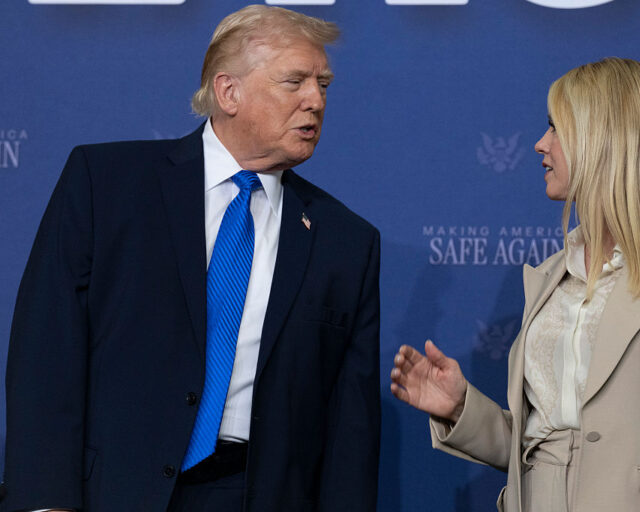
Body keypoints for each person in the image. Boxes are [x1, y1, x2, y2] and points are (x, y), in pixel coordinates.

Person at [2, 6, 380, 512]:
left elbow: (349, 428)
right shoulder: (107, 184)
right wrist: (44, 503)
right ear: (228, 92)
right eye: (294, 82)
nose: (315, 101)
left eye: (324, 84)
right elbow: (46, 354)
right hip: (112, 491)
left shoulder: (346, 241)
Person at [390, 58, 640, 512]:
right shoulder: (551, 275)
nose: (540, 144)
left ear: (605, 137)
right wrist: (461, 407)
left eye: (556, 128)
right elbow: (543, 446)